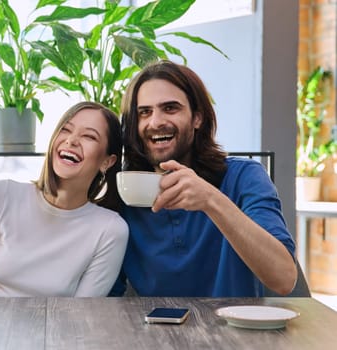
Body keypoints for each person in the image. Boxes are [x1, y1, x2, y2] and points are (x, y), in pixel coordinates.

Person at [111, 60, 297, 297]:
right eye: (144, 112)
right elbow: (108, 300)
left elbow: (284, 278)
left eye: (170, 108)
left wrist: (211, 200)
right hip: (153, 332)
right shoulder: (126, 191)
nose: (155, 122)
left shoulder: (244, 177)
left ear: (197, 118)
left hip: (235, 332)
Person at [0, 101, 128, 297]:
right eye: (65, 129)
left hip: (52, 333)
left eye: (89, 137)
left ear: (107, 162)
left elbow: (82, 315)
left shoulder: (110, 229)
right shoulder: (1, 195)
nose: (71, 140)